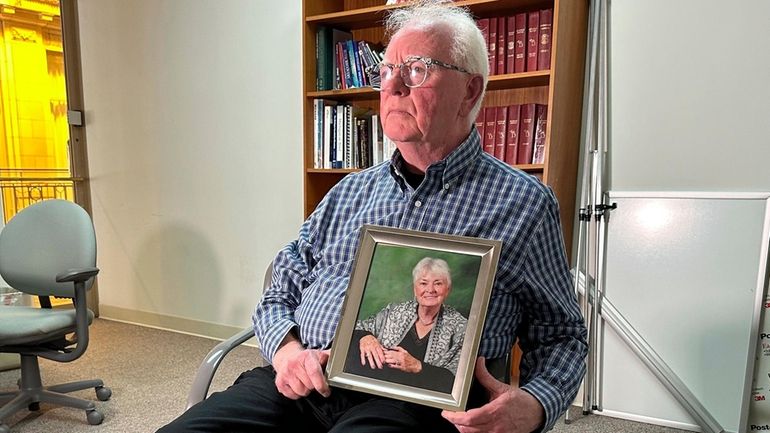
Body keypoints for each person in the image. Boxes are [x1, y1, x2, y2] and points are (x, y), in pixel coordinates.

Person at [158, 1, 586, 432]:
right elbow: (281, 285)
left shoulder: (524, 203)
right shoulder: (349, 191)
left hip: (415, 403)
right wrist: (286, 351)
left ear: (470, 90)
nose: (393, 85)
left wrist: (534, 404)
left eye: (417, 69)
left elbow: (562, 334)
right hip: (301, 380)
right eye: (386, 70)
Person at [345, 257, 466, 393]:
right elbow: (355, 329)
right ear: (415, 289)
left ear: (448, 290)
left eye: (438, 284)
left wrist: (417, 366)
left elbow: (458, 383)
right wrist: (366, 337)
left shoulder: (460, 327)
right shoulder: (395, 311)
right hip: (371, 388)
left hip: (417, 403)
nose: (430, 289)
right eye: (423, 283)